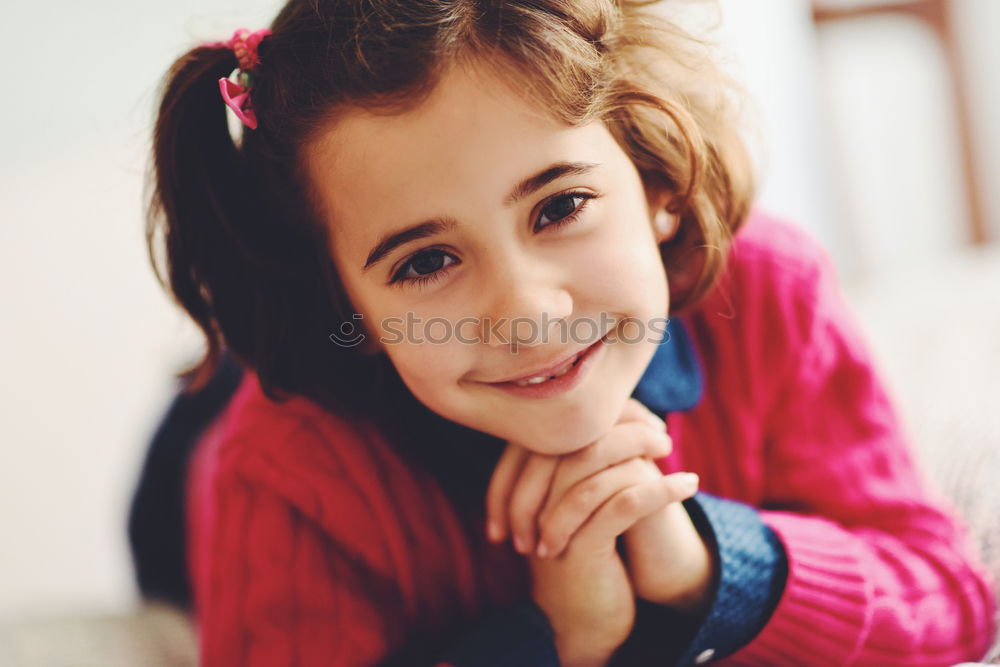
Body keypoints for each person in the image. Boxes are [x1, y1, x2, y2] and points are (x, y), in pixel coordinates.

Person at [139, 0, 998, 664]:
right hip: (225, 435)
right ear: (347, 308)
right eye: (424, 261)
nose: (529, 314)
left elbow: (950, 597)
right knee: (222, 388)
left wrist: (701, 559)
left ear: (657, 174)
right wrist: (561, 636)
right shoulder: (281, 470)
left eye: (560, 206)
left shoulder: (769, 286)